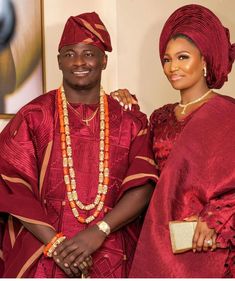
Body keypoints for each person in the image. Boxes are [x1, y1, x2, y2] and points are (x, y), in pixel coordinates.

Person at [0, 12, 158, 278]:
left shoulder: (130, 121)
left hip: (112, 253)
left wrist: (98, 232)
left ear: (104, 60)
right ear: (59, 61)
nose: (80, 61)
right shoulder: (35, 115)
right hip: (43, 252)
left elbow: (142, 186)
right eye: (70, 54)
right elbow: (10, 182)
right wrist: (55, 244)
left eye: (89, 53)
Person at [112, 4, 235, 278]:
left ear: (204, 60)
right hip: (161, 238)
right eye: (167, 60)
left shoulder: (228, 113)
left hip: (207, 241)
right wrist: (125, 112)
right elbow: (144, 171)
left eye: (182, 57)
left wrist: (216, 217)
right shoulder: (160, 117)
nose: (172, 67)